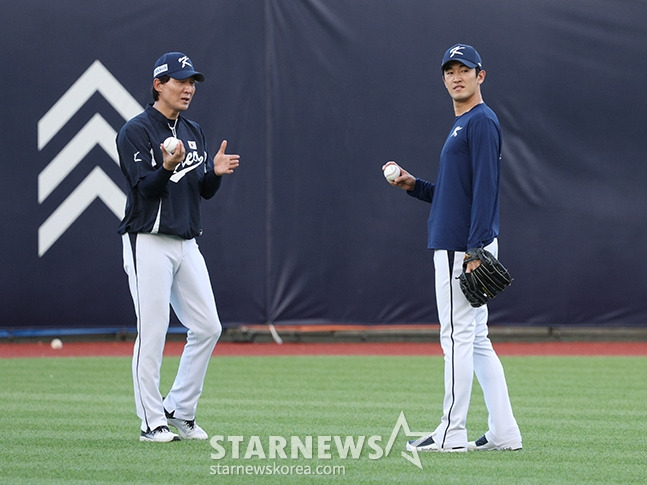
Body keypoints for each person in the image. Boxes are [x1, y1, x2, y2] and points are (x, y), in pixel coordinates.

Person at [383, 44, 522, 452]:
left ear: (481, 75)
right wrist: (412, 185)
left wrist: (476, 248)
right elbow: (453, 193)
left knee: (457, 337)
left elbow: (486, 189)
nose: (456, 76)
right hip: (464, 239)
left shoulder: (480, 121)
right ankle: (504, 432)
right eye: (450, 71)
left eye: (465, 69)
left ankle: (451, 432)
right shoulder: (466, 123)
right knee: (476, 339)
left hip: (460, 246)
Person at [116, 52, 240, 442]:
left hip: (186, 242)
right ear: (159, 84)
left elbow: (202, 190)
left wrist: (215, 174)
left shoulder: (194, 130)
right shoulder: (135, 130)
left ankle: (179, 409)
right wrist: (167, 167)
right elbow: (145, 189)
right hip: (148, 239)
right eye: (180, 80)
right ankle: (151, 420)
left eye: (193, 82)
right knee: (153, 331)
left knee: (207, 326)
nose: (189, 88)